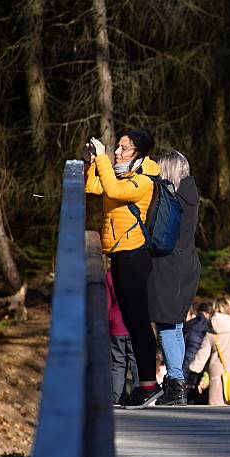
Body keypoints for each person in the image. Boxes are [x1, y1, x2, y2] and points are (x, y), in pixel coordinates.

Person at [84, 130, 162, 408]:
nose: (117, 152)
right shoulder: (121, 174)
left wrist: (103, 158)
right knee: (130, 322)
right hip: (119, 253)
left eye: (124, 149)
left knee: (139, 322)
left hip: (134, 255)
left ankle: (149, 385)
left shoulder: (143, 181)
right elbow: (93, 188)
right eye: (117, 147)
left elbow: (114, 191)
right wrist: (93, 161)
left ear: (139, 154)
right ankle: (145, 386)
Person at [146, 150, 201, 406]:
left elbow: (159, 234)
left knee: (167, 326)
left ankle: (176, 385)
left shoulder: (169, 197)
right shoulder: (191, 195)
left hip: (169, 265)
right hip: (188, 264)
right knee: (176, 325)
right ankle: (178, 383)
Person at [106, 269, 138, 405]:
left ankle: (117, 398)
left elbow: (106, 303)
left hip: (116, 325)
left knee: (118, 364)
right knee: (136, 362)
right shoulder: (136, 272)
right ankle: (138, 395)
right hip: (135, 324)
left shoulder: (109, 275)